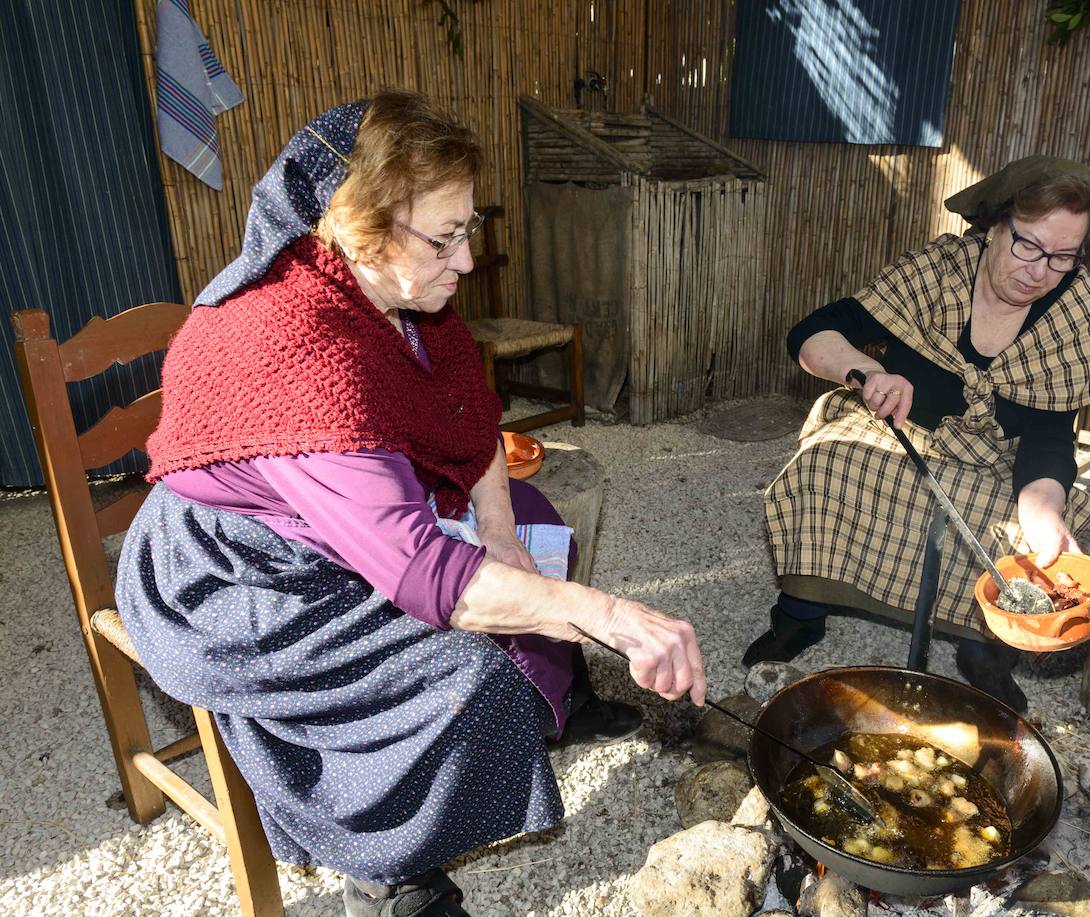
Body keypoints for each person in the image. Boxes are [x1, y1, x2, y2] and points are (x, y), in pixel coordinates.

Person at [115, 91, 706, 917]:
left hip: (324, 521)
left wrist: (502, 537)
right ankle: (390, 871)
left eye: (471, 228)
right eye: (446, 237)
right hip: (235, 573)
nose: (466, 262)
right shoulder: (297, 349)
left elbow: (472, 414)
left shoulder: (397, 300)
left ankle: (560, 697)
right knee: (462, 675)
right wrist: (607, 612)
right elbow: (424, 572)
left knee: (535, 516)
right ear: (358, 225)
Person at [746, 156, 1090, 713]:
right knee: (821, 469)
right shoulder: (939, 271)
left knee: (1028, 536)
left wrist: (1043, 506)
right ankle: (800, 615)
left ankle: (984, 647)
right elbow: (812, 333)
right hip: (900, 432)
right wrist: (867, 372)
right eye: (1028, 246)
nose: (1040, 271)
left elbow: (1051, 432)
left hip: (995, 456)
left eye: (1063, 257)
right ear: (993, 227)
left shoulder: (1073, 307)